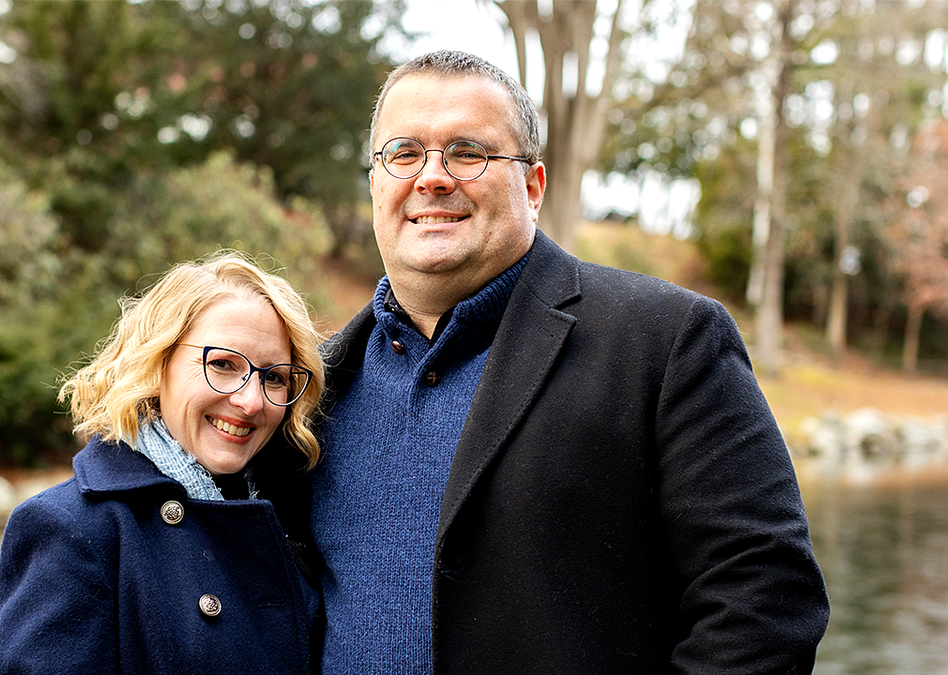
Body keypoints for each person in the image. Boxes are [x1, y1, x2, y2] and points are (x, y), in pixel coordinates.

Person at [308, 50, 830, 674]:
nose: (432, 177)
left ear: (533, 186)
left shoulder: (665, 344)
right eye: (404, 153)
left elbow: (764, 600)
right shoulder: (311, 384)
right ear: (375, 182)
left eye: (468, 152)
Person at [0, 250, 324, 675]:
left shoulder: (289, 516)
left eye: (274, 376)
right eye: (222, 364)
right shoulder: (72, 530)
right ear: (158, 362)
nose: (251, 401)